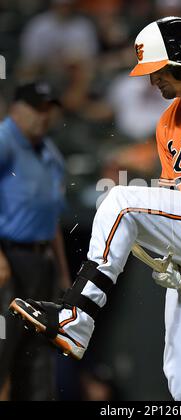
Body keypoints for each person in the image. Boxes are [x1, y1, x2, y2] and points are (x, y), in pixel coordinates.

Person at [10, 17, 181, 401]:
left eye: (157, 71)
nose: (151, 81)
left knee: (121, 200)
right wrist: (175, 260)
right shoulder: (168, 122)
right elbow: (175, 202)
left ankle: (77, 316)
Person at [0, 81, 71, 400]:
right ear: (16, 109)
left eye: (48, 109)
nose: (43, 116)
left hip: (41, 263)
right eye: (36, 108)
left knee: (40, 352)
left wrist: (63, 270)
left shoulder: (50, 152)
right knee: (3, 349)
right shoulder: (5, 140)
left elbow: (51, 217)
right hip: (9, 259)